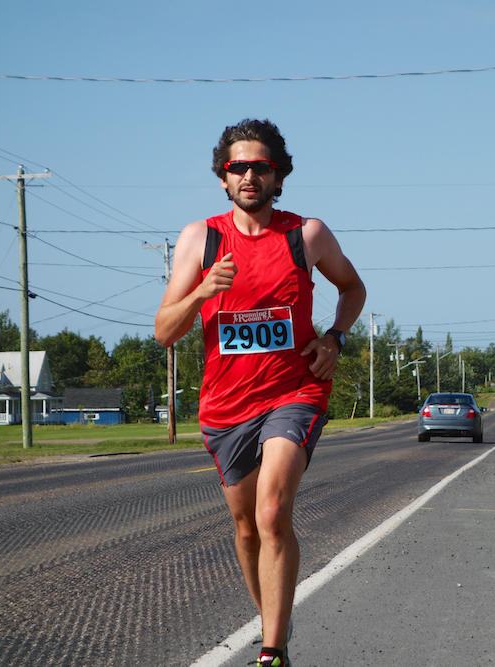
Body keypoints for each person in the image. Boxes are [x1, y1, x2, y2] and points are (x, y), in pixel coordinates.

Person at [155, 119, 366, 667]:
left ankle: (271, 651)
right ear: (223, 178)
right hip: (225, 405)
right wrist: (202, 290)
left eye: (261, 167)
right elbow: (165, 331)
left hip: (294, 392)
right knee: (247, 529)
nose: (249, 176)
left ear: (278, 175)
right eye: (238, 167)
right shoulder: (200, 240)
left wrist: (335, 338)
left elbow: (352, 287)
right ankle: (277, 621)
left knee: (272, 512)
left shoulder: (306, 235)